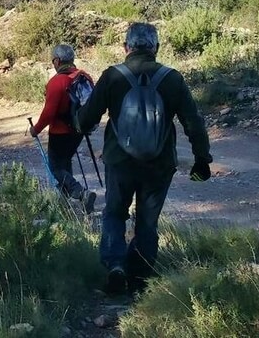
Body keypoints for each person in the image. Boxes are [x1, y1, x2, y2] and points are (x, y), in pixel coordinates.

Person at [76, 22, 213, 294]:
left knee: (115, 213)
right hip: (159, 164)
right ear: (156, 48)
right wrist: (202, 158)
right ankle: (139, 280)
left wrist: (76, 117)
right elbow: (193, 121)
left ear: (126, 47)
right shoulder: (172, 78)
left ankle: (115, 265)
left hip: (119, 161)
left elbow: (86, 120)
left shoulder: (113, 76)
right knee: (147, 222)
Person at [29, 44, 97, 213]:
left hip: (59, 132)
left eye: (53, 61)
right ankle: (63, 205)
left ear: (58, 61)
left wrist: (36, 129)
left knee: (55, 167)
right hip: (78, 131)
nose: (53, 64)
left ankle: (81, 193)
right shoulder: (84, 77)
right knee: (65, 164)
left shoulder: (56, 82)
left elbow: (49, 113)